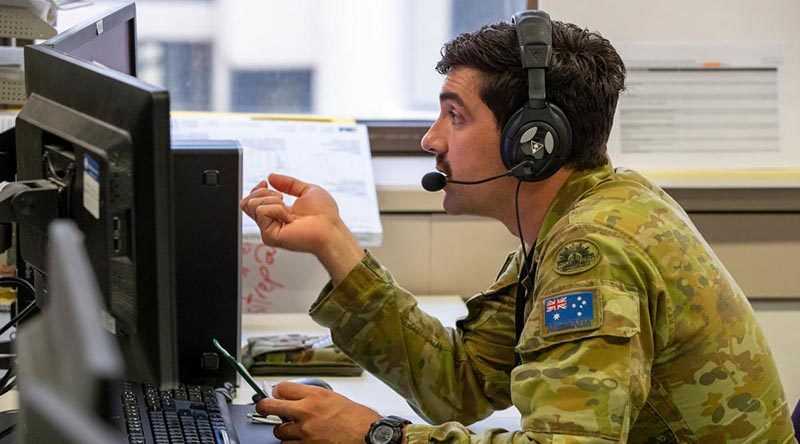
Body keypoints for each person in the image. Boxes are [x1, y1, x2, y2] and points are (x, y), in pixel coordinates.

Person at [239, 11, 796, 444]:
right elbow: (459, 383)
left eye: (455, 116)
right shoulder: (580, 216)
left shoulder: (595, 250)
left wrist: (374, 433)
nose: (431, 140)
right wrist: (334, 245)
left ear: (531, 144)